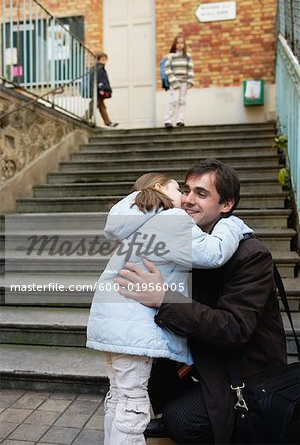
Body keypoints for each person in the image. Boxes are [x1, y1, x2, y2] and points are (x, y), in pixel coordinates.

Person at [114, 159, 287, 444]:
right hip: (202, 357)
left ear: (226, 205)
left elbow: (233, 328)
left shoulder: (251, 255)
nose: (187, 200)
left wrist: (164, 298)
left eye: (201, 194)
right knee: (144, 380)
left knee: (184, 421)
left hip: (242, 372)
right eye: (187, 190)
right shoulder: (189, 243)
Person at [86, 171, 253, 445]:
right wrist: (232, 224)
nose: (185, 199)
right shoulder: (169, 219)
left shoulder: (135, 221)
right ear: (160, 188)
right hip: (133, 329)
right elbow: (213, 253)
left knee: (119, 395)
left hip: (114, 325)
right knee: (133, 404)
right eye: (180, 189)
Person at [164, 35, 194, 129]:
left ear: (184, 45)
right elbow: (167, 69)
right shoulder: (171, 57)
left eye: (182, 43)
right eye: (178, 43)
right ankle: (168, 120)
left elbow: (190, 69)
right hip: (175, 82)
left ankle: (180, 120)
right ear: (174, 45)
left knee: (182, 101)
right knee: (174, 101)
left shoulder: (188, 57)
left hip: (184, 82)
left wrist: (190, 81)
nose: (180, 45)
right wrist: (173, 81)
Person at [95, 52, 118, 127]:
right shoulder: (99, 68)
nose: (104, 61)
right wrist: (101, 89)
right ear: (98, 60)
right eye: (102, 59)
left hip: (99, 90)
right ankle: (108, 122)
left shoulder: (100, 68)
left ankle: (108, 122)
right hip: (100, 90)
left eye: (105, 59)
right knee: (99, 105)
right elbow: (100, 79)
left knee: (100, 105)